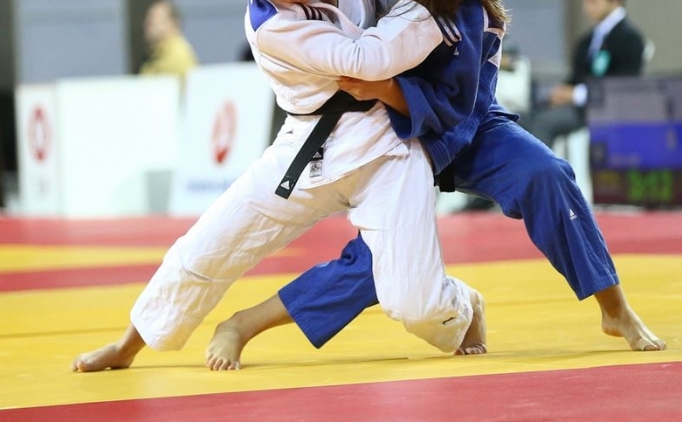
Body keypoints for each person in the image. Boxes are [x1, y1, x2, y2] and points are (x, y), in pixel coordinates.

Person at [202, 0, 665, 370]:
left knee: (546, 173)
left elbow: (458, 106)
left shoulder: (468, 11)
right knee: (386, 261)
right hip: (392, 134)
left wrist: (386, 90)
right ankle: (244, 324)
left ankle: (614, 308)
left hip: (466, 126)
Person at [72, 0, 482, 373]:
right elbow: (365, 61)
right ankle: (127, 345)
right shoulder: (271, 24)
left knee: (415, 304)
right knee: (208, 246)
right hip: (308, 146)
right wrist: (426, 10)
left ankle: (463, 305)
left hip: (388, 143)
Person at [527, 0, 645, 148]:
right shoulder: (588, 40)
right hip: (577, 107)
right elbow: (576, 77)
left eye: (593, 2)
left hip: (603, 109)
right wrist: (561, 92)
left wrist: (575, 95)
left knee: (545, 122)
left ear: (615, 2)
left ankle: (538, 164)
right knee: (522, 118)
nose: (587, 8)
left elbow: (622, 87)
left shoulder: (630, 39)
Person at [139, 0, 199, 80]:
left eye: (155, 19)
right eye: (148, 19)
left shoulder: (178, 57)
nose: (148, 23)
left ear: (174, 24)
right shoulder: (154, 57)